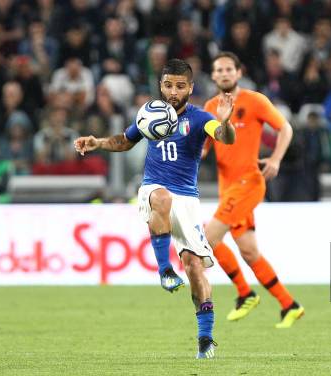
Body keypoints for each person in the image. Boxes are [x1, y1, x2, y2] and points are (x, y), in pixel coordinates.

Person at [73, 59, 235, 359]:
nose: (173, 92)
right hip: (154, 188)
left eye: (180, 86)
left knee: (195, 268)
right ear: (161, 85)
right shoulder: (151, 114)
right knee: (160, 198)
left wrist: (224, 122)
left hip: (187, 199)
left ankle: (205, 339)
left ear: (191, 88)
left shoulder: (201, 118)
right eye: (168, 85)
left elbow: (225, 138)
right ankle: (164, 270)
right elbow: (125, 141)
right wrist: (98, 142)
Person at [203, 51, 304, 328]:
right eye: (218, 70)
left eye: (228, 69)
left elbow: (286, 129)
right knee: (248, 252)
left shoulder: (255, 101)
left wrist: (275, 159)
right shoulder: (209, 107)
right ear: (213, 76)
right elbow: (202, 150)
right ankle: (289, 305)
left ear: (238, 72)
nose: (224, 74)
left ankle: (245, 293)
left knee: (203, 241)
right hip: (228, 189)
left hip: (249, 183)